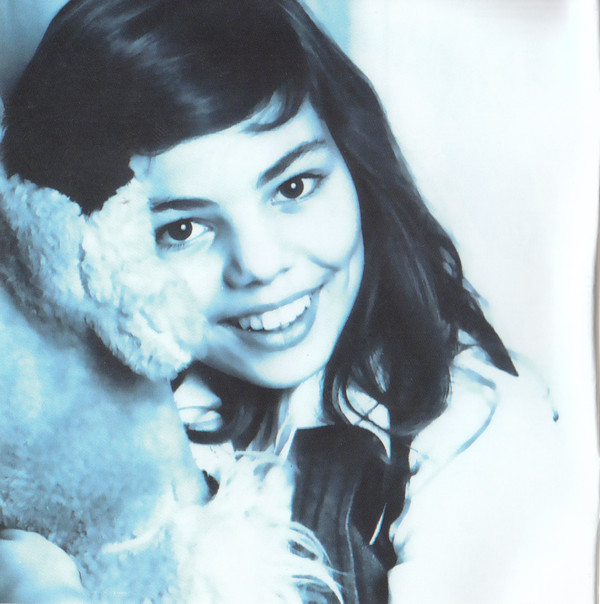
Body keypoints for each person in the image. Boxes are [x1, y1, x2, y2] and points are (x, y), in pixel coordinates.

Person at [0, 0, 516, 601]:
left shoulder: (476, 438)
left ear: (355, 162)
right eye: (182, 230)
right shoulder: (78, 443)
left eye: (294, 187)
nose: (262, 264)